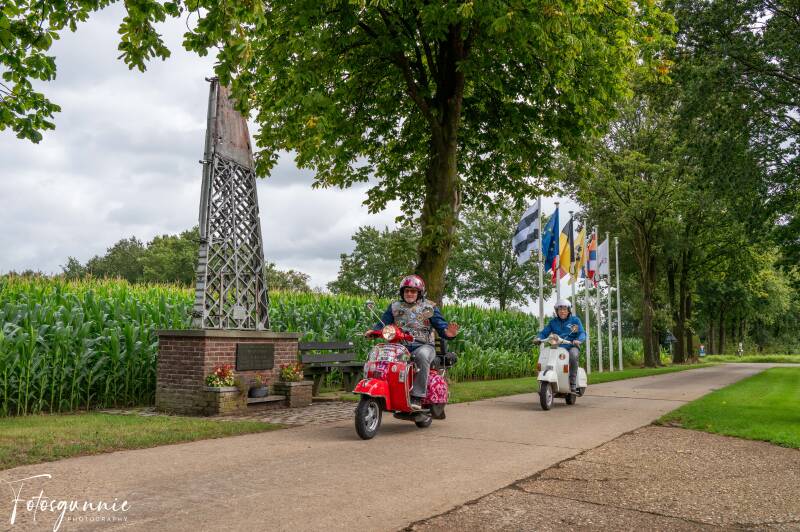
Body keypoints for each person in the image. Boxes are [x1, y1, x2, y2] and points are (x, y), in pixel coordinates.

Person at [365, 275, 459, 410]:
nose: (409, 293)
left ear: (419, 293)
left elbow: (441, 325)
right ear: (402, 292)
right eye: (407, 291)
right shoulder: (394, 306)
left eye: (413, 291)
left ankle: (417, 396)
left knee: (421, 356)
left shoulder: (429, 307)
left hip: (424, 345)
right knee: (381, 355)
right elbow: (383, 323)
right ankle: (385, 392)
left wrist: (448, 333)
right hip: (399, 346)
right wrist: (374, 331)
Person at [535, 299, 586, 393]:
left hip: (571, 345)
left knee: (573, 355)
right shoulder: (553, 322)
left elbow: (582, 332)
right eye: (560, 309)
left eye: (565, 309)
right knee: (545, 356)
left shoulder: (575, 320)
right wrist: (538, 338)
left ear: (569, 310)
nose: (562, 311)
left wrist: (578, 340)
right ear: (557, 311)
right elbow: (544, 333)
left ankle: (572, 382)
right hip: (556, 346)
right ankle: (547, 380)